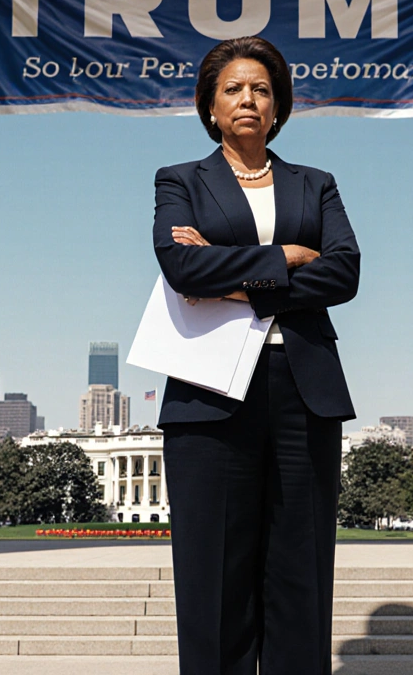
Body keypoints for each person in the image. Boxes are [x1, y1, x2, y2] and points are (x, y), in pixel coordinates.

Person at [151, 35, 361, 675]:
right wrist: (288, 258)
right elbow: (181, 265)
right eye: (234, 89)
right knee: (214, 566)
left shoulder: (315, 184)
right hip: (210, 390)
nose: (249, 99)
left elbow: (345, 273)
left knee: (300, 562)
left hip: (303, 385)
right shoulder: (180, 180)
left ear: (279, 106)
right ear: (211, 106)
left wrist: (233, 276)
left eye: (262, 89)